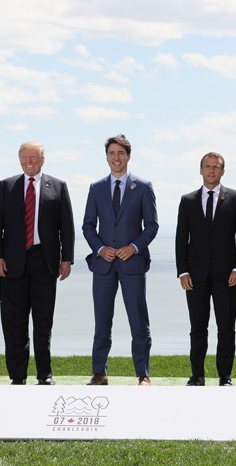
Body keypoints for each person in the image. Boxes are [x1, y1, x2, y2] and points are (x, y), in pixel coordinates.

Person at [0, 142, 74, 385]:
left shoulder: (58, 186)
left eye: (34, 157)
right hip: (11, 264)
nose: (29, 161)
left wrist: (66, 258)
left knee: (43, 322)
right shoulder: (6, 186)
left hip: (45, 262)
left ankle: (44, 374)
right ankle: (17, 376)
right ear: (19, 160)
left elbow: (66, 226)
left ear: (43, 159)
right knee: (14, 323)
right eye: (24, 157)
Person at [83, 134, 158, 386]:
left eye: (121, 153)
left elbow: (152, 225)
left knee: (139, 322)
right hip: (103, 266)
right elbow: (88, 226)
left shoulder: (144, 187)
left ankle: (143, 374)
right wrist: (100, 248)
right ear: (106, 157)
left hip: (132, 264)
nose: (116, 158)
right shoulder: (96, 188)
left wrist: (134, 247)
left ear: (128, 156)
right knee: (101, 322)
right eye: (112, 153)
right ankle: (99, 372)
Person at [175, 152, 236, 387]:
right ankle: (197, 375)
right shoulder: (187, 200)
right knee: (197, 327)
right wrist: (182, 271)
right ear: (200, 170)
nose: (211, 170)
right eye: (207, 167)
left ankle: (225, 375)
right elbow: (180, 240)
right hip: (194, 276)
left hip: (227, 275)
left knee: (226, 327)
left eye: (216, 167)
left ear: (222, 171)